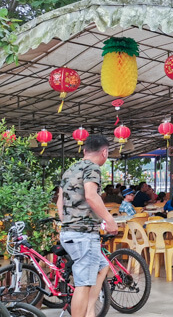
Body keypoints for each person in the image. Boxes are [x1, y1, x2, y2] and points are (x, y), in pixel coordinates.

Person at [56, 135, 116, 317]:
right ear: (104, 152)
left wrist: (68, 222)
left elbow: (60, 201)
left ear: (84, 151)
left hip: (68, 232)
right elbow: (91, 195)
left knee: (102, 265)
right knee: (83, 284)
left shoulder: (70, 170)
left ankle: (90, 311)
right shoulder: (93, 168)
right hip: (84, 235)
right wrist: (109, 219)